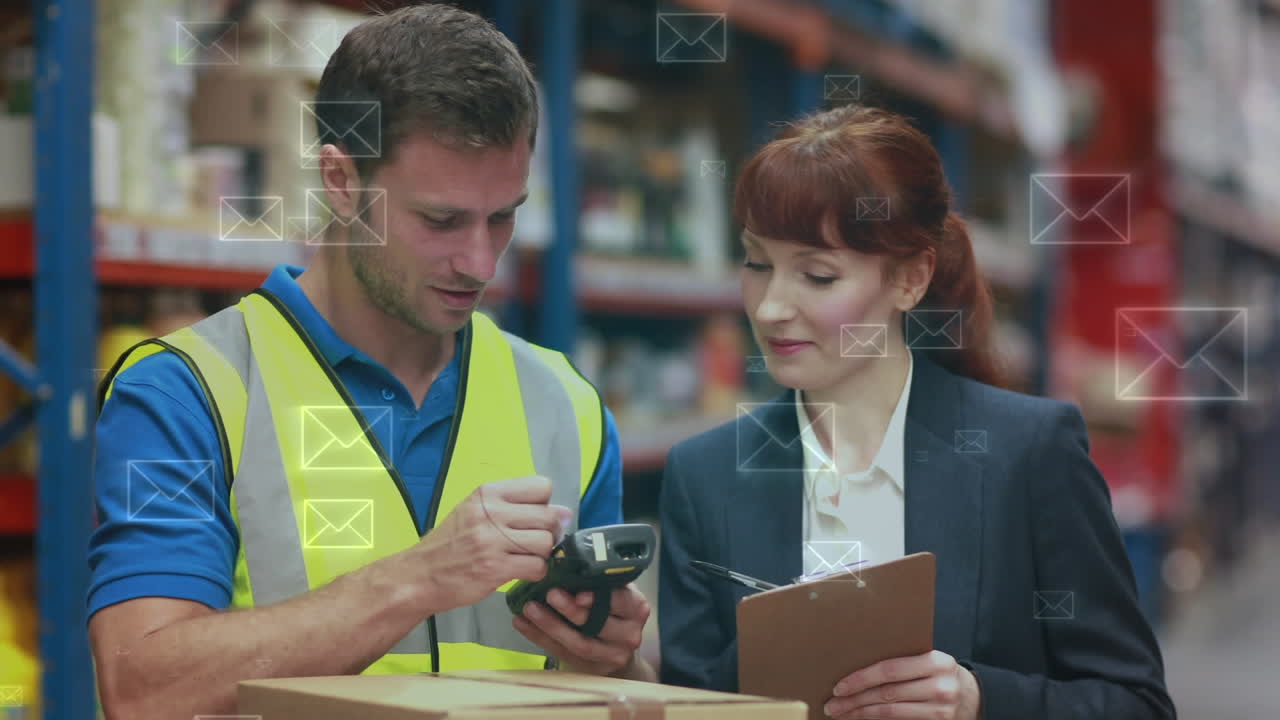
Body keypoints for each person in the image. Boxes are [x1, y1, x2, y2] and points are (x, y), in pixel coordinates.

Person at [88, 7, 653, 719]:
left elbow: (630, 684)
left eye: (502, 216)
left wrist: (619, 656)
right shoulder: (186, 393)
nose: (480, 262)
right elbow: (142, 688)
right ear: (341, 180)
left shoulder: (564, 403)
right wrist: (416, 580)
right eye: (440, 221)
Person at [657, 105, 1175, 720]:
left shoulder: (1027, 455)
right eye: (756, 263)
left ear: (911, 278)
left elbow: (1135, 703)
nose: (770, 308)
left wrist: (980, 699)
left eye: (817, 276)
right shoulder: (704, 477)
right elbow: (687, 703)